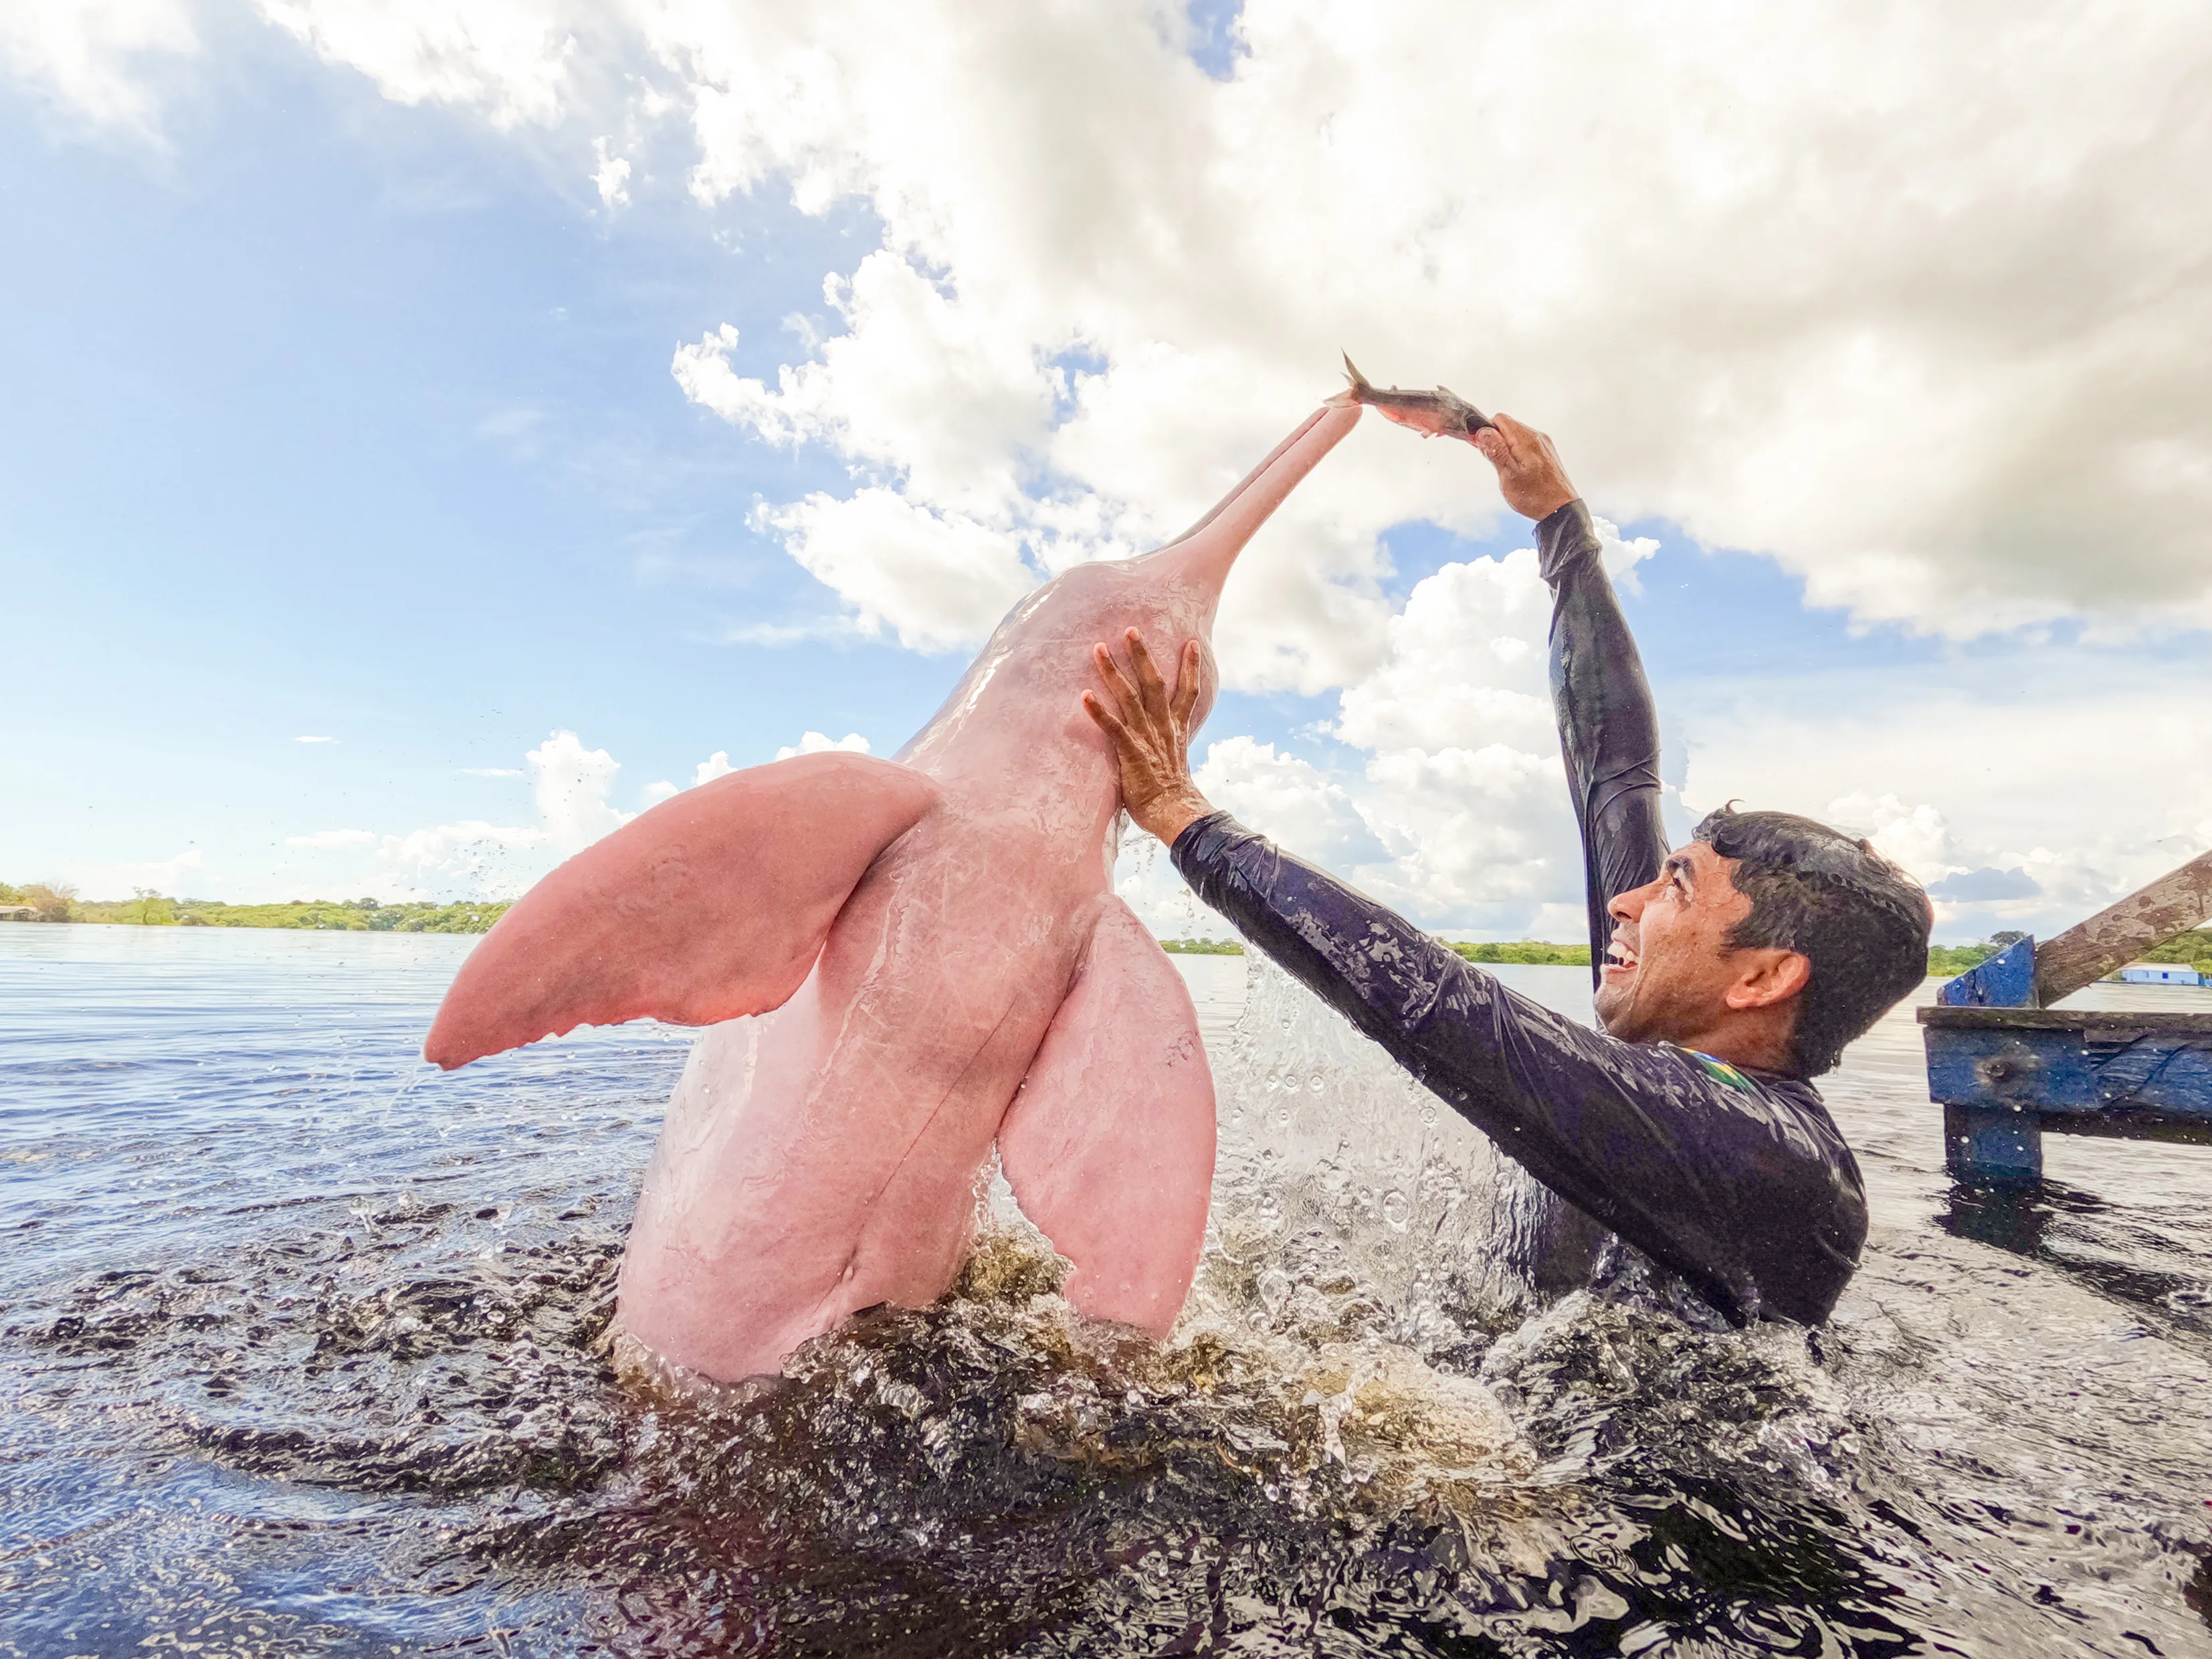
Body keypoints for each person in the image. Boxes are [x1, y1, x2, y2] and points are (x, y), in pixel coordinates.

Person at [1082, 414, 1932, 1326]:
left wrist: (1184, 818)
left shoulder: (1772, 1157)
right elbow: (1613, 770)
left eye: (1674, 887)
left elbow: (1447, 1012)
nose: (1623, 899)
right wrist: (1561, 528)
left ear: (1762, 976)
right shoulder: (1655, 1064)